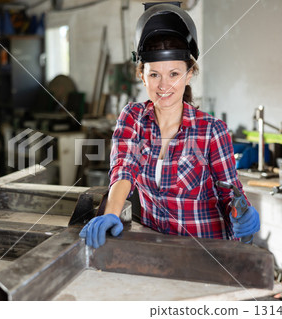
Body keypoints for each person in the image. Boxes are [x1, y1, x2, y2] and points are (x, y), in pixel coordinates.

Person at [80, 2, 260, 248]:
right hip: (159, 251)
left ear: (188, 75)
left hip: (210, 253)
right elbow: (123, 169)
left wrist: (243, 214)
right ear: (142, 76)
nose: (164, 86)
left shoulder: (211, 130)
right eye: (154, 75)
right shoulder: (133, 118)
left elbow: (231, 194)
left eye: (174, 74)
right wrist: (111, 212)